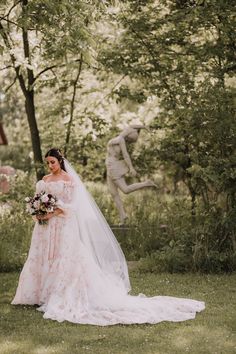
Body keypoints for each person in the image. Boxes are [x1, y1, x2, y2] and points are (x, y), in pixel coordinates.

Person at [11, 148, 205, 325]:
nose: (50, 166)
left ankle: (59, 294)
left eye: (52, 162)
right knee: (42, 256)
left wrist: (52, 213)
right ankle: (37, 294)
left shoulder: (69, 180)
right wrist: (38, 211)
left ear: (60, 161)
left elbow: (72, 207)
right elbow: (39, 200)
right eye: (48, 163)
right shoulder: (45, 179)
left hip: (61, 226)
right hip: (44, 228)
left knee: (64, 259)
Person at [106, 125, 157, 224]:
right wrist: (144, 127)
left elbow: (126, 155)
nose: (129, 141)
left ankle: (146, 183)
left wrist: (131, 167)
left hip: (113, 167)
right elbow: (131, 126)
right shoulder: (120, 137)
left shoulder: (120, 140)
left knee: (125, 190)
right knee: (114, 193)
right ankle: (123, 216)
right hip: (109, 167)